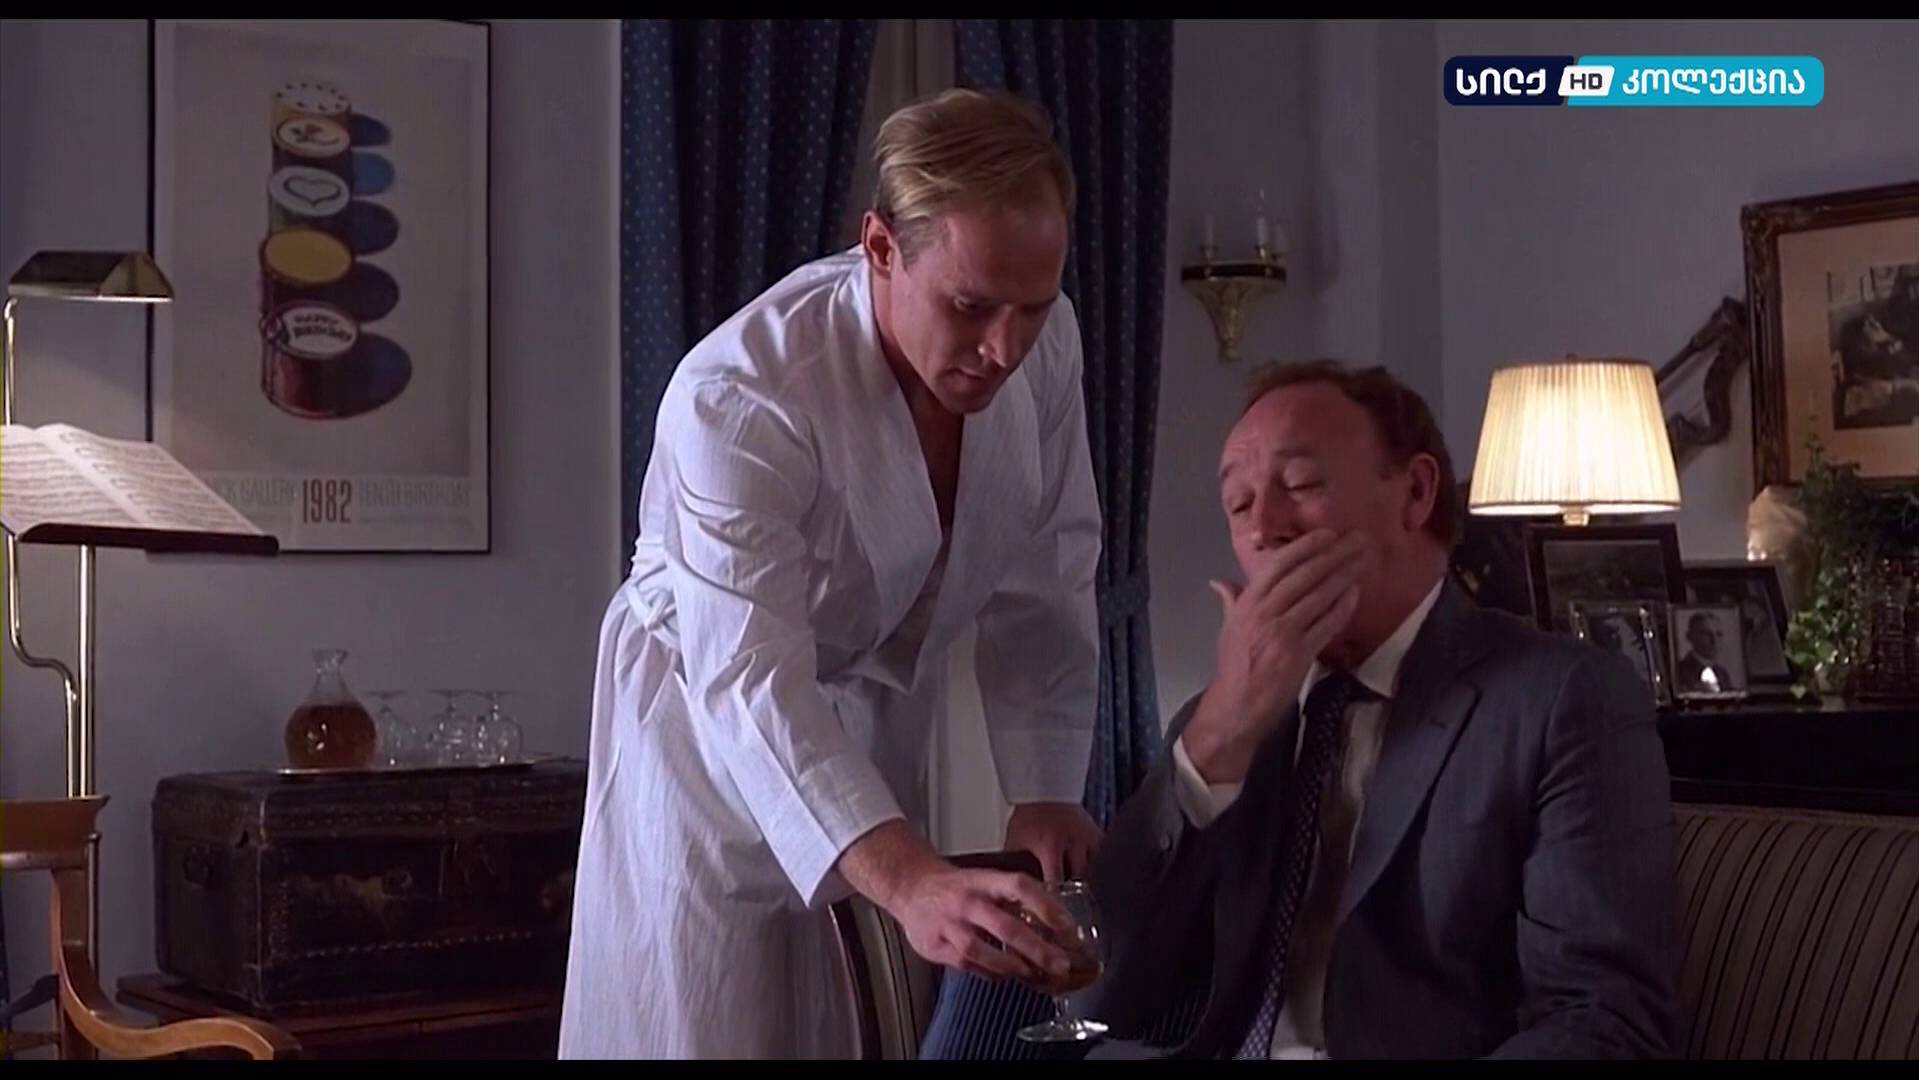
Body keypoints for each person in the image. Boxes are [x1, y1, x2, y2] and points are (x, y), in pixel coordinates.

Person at [560, 89, 1105, 1059]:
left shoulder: (1044, 342)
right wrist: (908, 878)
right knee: (714, 1023)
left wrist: (1045, 784)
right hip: (703, 737)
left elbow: (1050, 562)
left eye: (1031, 306)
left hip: (868, 720)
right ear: (881, 247)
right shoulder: (741, 395)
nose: (1005, 348)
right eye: (970, 307)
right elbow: (749, 677)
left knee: (861, 1023)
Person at [1077, 360, 1678, 1059]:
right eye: (1238, 505)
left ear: (1415, 493)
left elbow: (1605, 1020)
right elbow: (1102, 996)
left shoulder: (1559, 699)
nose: (1264, 528)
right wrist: (1216, 736)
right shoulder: (1221, 720)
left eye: (1302, 484)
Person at [1674, 611, 1734, 693]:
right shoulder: (1680, 671)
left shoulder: (1722, 674)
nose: (1714, 641)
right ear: (1690, 637)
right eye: (1706, 634)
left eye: (1718, 634)